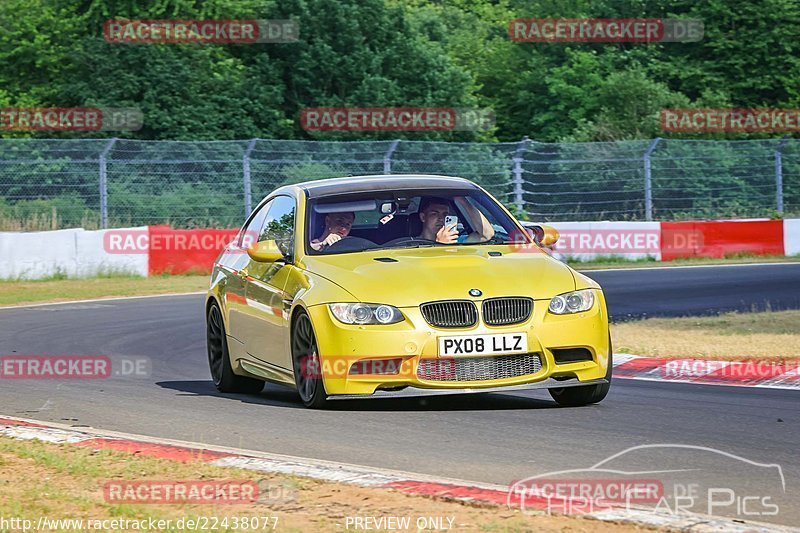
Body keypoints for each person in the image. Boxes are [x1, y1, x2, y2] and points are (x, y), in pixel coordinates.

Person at [417, 196, 495, 244]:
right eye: (434, 213)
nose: (441, 218)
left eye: (445, 215)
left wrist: (462, 200)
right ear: (423, 217)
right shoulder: (410, 244)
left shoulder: (455, 240)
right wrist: (440, 245)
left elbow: (487, 235)